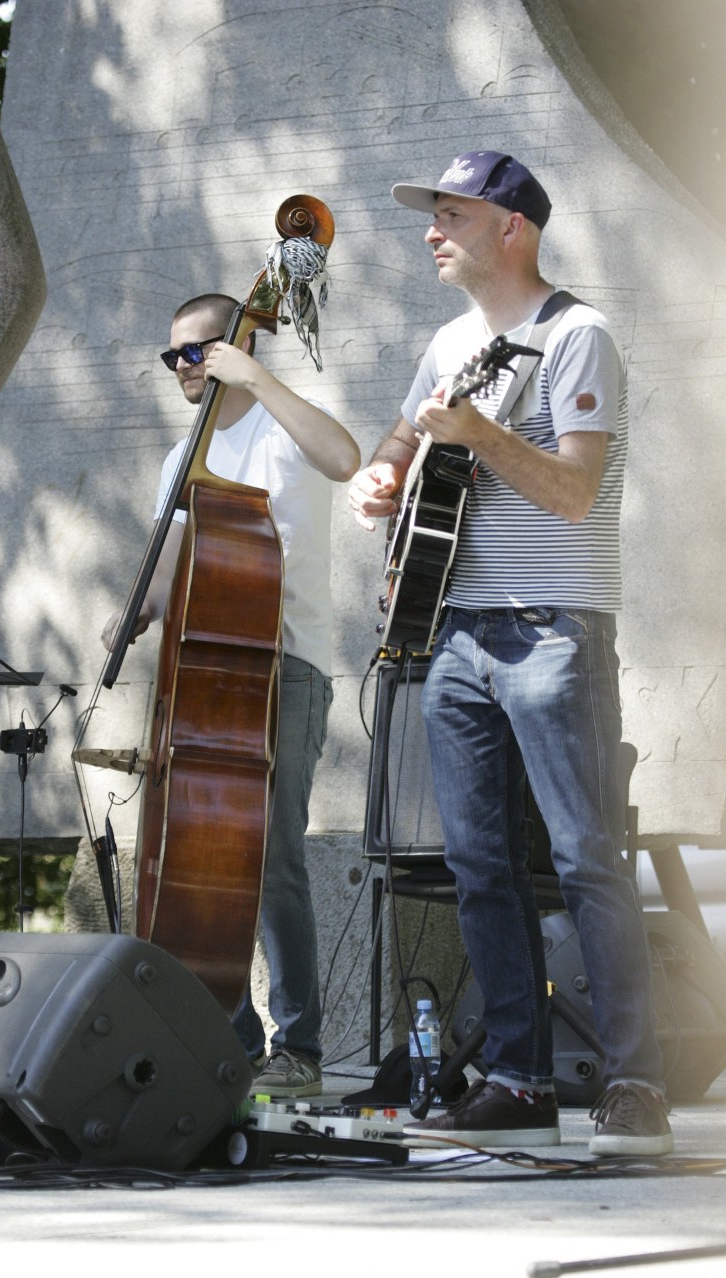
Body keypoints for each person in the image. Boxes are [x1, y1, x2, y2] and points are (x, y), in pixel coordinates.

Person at [349, 151, 673, 1156]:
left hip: (554, 627)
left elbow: (575, 492)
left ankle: (634, 1088)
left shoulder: (579, 336)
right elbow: (399, 447)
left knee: (582, 858)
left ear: (513, 229)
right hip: (451, 632)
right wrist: (378, 477)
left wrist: (480, 435)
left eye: (452, 213)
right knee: (479, 864)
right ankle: (520, 1080)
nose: (432, 231)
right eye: (431, 214)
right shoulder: (448, 340)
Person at [102, 292, 360, 1097]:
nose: (183, 368)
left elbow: (346, 458)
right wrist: (131, 613)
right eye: (173, 356)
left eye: (196, 352)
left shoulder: (282, 427)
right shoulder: (183, 459)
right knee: (196, 861)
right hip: (205, 673)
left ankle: (301, 1045)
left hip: (284, 666)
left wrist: (259, 377)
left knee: (273, 860)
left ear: (234, 346)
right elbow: (175, 560)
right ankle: (230, 1036)